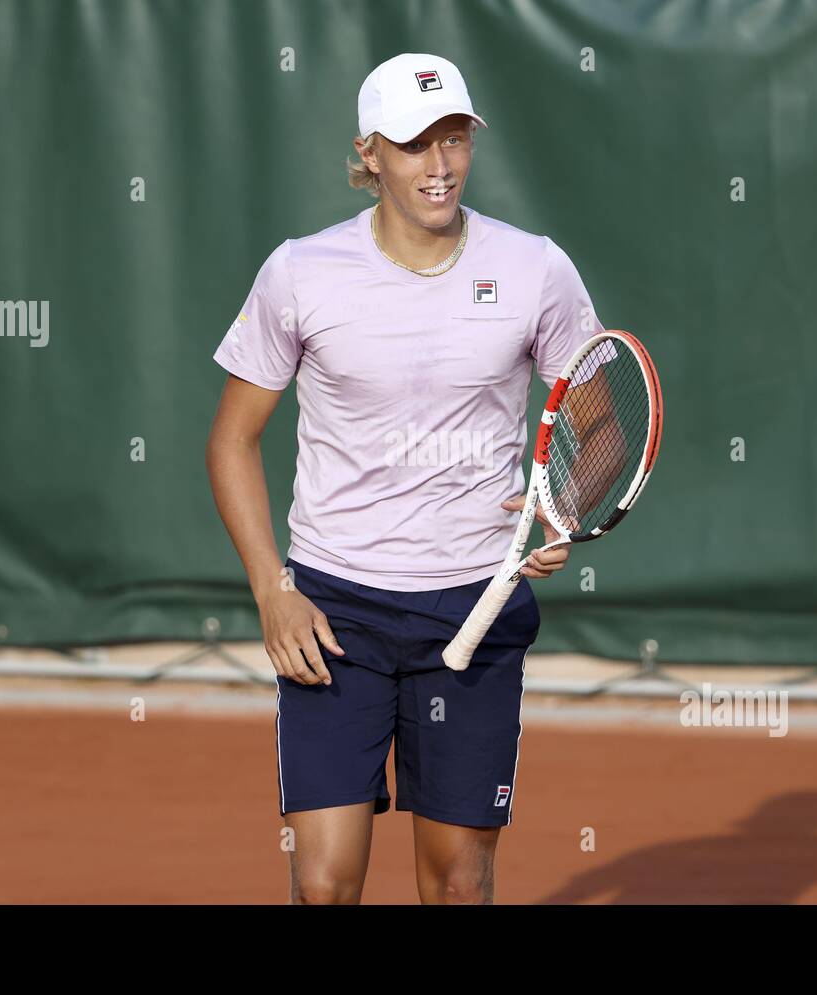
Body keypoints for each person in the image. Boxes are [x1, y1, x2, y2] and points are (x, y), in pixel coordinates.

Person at [206, 52, 605, 904]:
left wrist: (561, 509)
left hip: (475, 601)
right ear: (370, 154)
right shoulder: (300, 272)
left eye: (454, 138)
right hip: (333, 609)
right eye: (416, 143)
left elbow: (600, 423)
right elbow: (231, 442)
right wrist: (273, 592)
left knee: (459, 883)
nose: (441, 164)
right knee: (324, 883)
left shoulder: (535, 268)